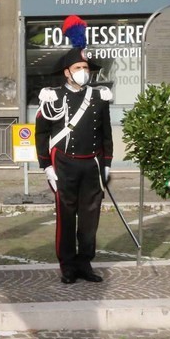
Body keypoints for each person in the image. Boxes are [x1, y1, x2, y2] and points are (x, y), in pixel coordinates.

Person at [36, 16, 113, 285]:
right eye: (79, 67)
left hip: (91, 164)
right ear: (67, 71)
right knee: (66, 217)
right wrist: (46, 166)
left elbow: (106, 133)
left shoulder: (99, 96)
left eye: (86, 67)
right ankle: (67, 265)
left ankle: (85, 263)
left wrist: (107, 163)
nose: (84, 71)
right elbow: (42, 133)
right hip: (64, 164)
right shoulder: (52, 96)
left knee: (90, 218)